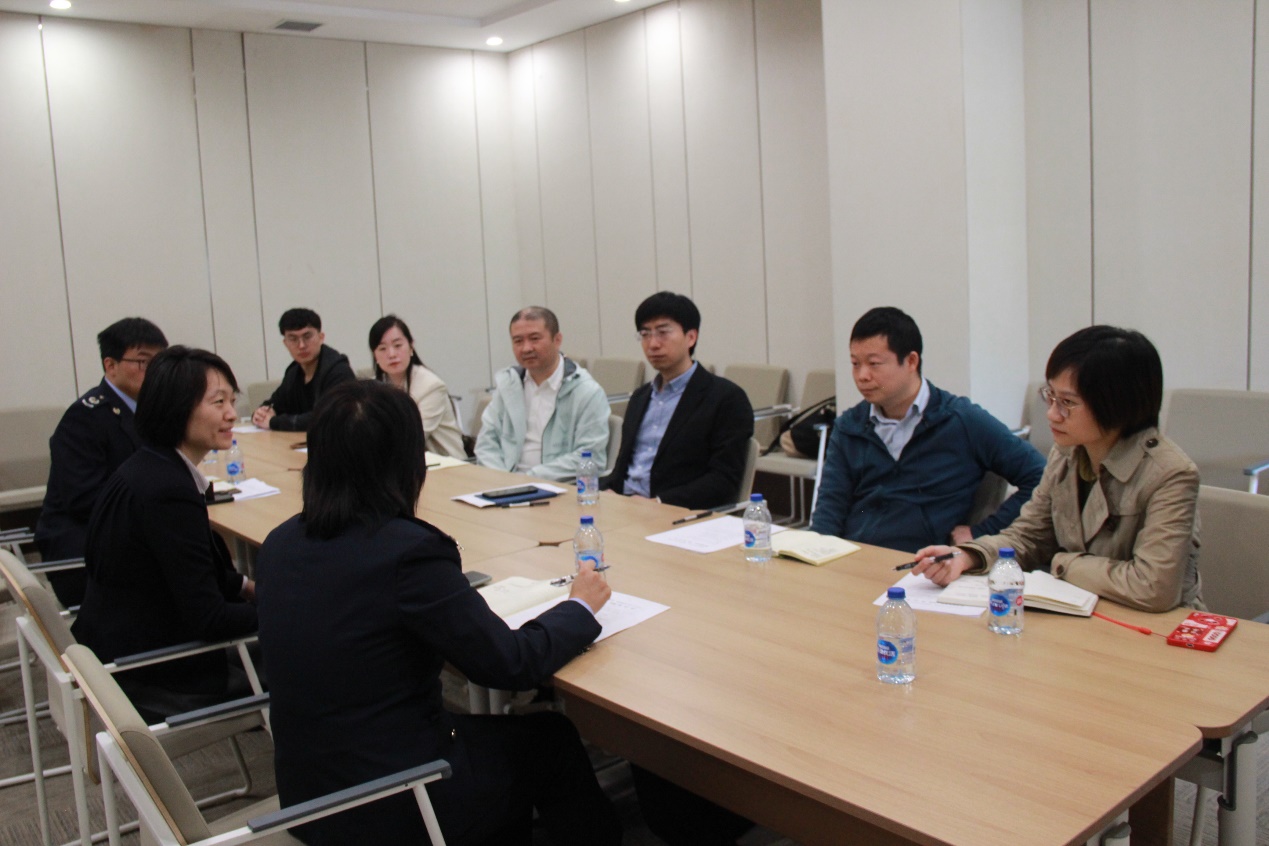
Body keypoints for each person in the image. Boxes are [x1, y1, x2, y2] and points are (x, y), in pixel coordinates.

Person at [255, 380, 620, 846]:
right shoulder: (408, 552)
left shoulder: (280, 543)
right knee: (550, 738)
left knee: (503, 746)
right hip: (393, 801)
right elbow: (510, 664)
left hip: (310, 796)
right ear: (406, 462)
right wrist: (579, 605)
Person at [912, 325, 1204, 613]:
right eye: (1050, 396)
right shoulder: (1067, 453)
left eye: (1067, 403)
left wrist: (1063, 563)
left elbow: (1152, 587)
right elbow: (1029, 536)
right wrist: (967, 556)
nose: (1052, 414)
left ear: (1117, 404)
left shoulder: (1171, 474)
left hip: (1152, 627)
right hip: (1080, 611)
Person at [72, 346, 258, 722]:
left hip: (119, 651)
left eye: (232, 400)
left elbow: (183, 572)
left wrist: (245, 586)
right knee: (312, 645)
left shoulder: (147, 466)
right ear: (177, 408)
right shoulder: (168, 491)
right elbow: (209, 619)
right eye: (218, 402)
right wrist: (288, 606)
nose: (231, 414)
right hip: (155, 675)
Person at [809, 307, 1045, 553]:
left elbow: (1040, 477)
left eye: (874, 364)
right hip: (856, 556)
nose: (862, 376)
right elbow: (830, 507)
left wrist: (982, 533)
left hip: (924, 563)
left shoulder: (961, 420)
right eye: (855, 364)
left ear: (911, 361)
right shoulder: (850, 426)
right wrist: (816, 554)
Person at [35, 317, 169, 606]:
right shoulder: (84, 418)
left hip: (131, 538)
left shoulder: (149, 412)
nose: (154, 371)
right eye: (143, 362)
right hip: (86, 552)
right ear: (110, 365)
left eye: (160, 362)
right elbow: (85, 500)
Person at [602, 292, 754, 510]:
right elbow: (623, 469)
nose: (653, 344)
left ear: (691, 337)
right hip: (624, 507)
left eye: (663, 332)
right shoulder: (640, 397)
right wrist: (606, 490)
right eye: (645, 334)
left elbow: (723, 481)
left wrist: (658, 504)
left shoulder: (726, 398)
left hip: (674, 514)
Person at [475, 306, 609, 481]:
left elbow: (590, 456)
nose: (526, 348)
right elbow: (486, 444)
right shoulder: (509, 385)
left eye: (535, 339)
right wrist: (502, 480)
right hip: (503, 483)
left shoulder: (586, 392)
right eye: (518, 341)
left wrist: (528, 479)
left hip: (556, 487)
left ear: (557, 340)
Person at [369, 314, 465, 457]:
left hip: (448, 464)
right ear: (375, 355)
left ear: (411, 347)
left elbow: (413, 438)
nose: (391, 354)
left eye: (398, 345)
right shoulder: (373, 389)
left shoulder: (431, 386)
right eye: (382, 348)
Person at [252, 308, 356, 432]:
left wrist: (273, 422)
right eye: (293, 339)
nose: (301, 345)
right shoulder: (294, 372)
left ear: (321, 337)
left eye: (307, 337)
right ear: (285, 343)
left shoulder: (338, 371)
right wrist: (261, 414)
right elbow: (275, 403)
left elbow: (327, 417)